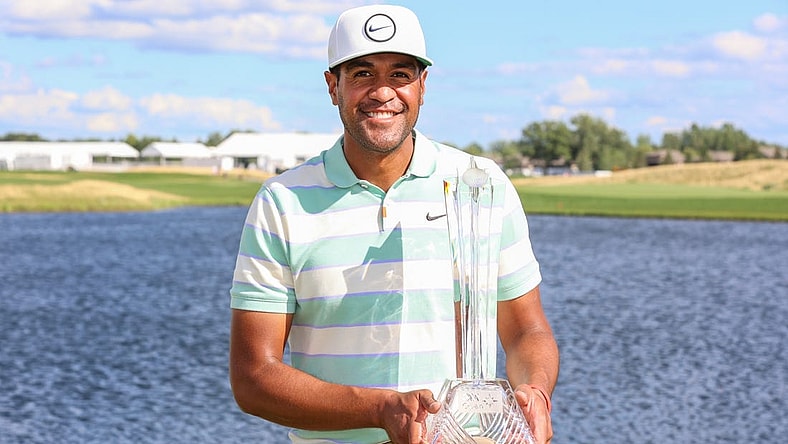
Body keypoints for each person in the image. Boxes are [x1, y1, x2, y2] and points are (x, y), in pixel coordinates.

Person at [229, 4, 559, 443]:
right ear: (333, 85)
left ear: (422, 85)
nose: (382, 92)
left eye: (400, 75)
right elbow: (254, 378)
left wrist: (534, 391)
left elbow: (525, 331)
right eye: (362, 74)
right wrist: (379, 409)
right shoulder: (283, 202)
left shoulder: (481, 184)